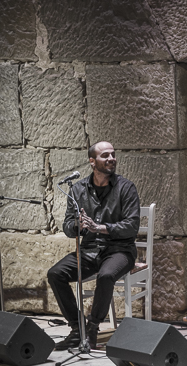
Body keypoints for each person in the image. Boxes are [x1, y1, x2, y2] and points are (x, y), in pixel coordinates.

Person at [47, 141, 140, 350]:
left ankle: (93, 329)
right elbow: (68, 227)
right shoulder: (78, 190)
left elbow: (132, 226)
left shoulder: (126, 187)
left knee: (106, 275)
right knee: (55, 274)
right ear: (92, 161)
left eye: (113, 155)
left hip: (120, 251)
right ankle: (76, 328)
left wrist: (100, 228)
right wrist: (78, 225)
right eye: (105, 155)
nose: (111, 159)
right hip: (89, 251)